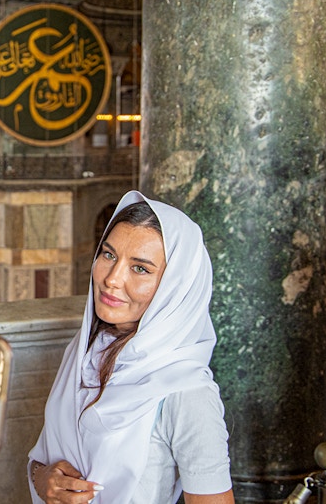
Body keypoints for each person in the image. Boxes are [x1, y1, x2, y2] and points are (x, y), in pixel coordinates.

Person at [28, 191, 233, 504]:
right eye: (109, 255)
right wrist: (44, 480)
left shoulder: (186, 391)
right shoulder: (86, 352)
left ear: (173, 287)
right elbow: (44, 460)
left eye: (140, 268)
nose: (112, 279)